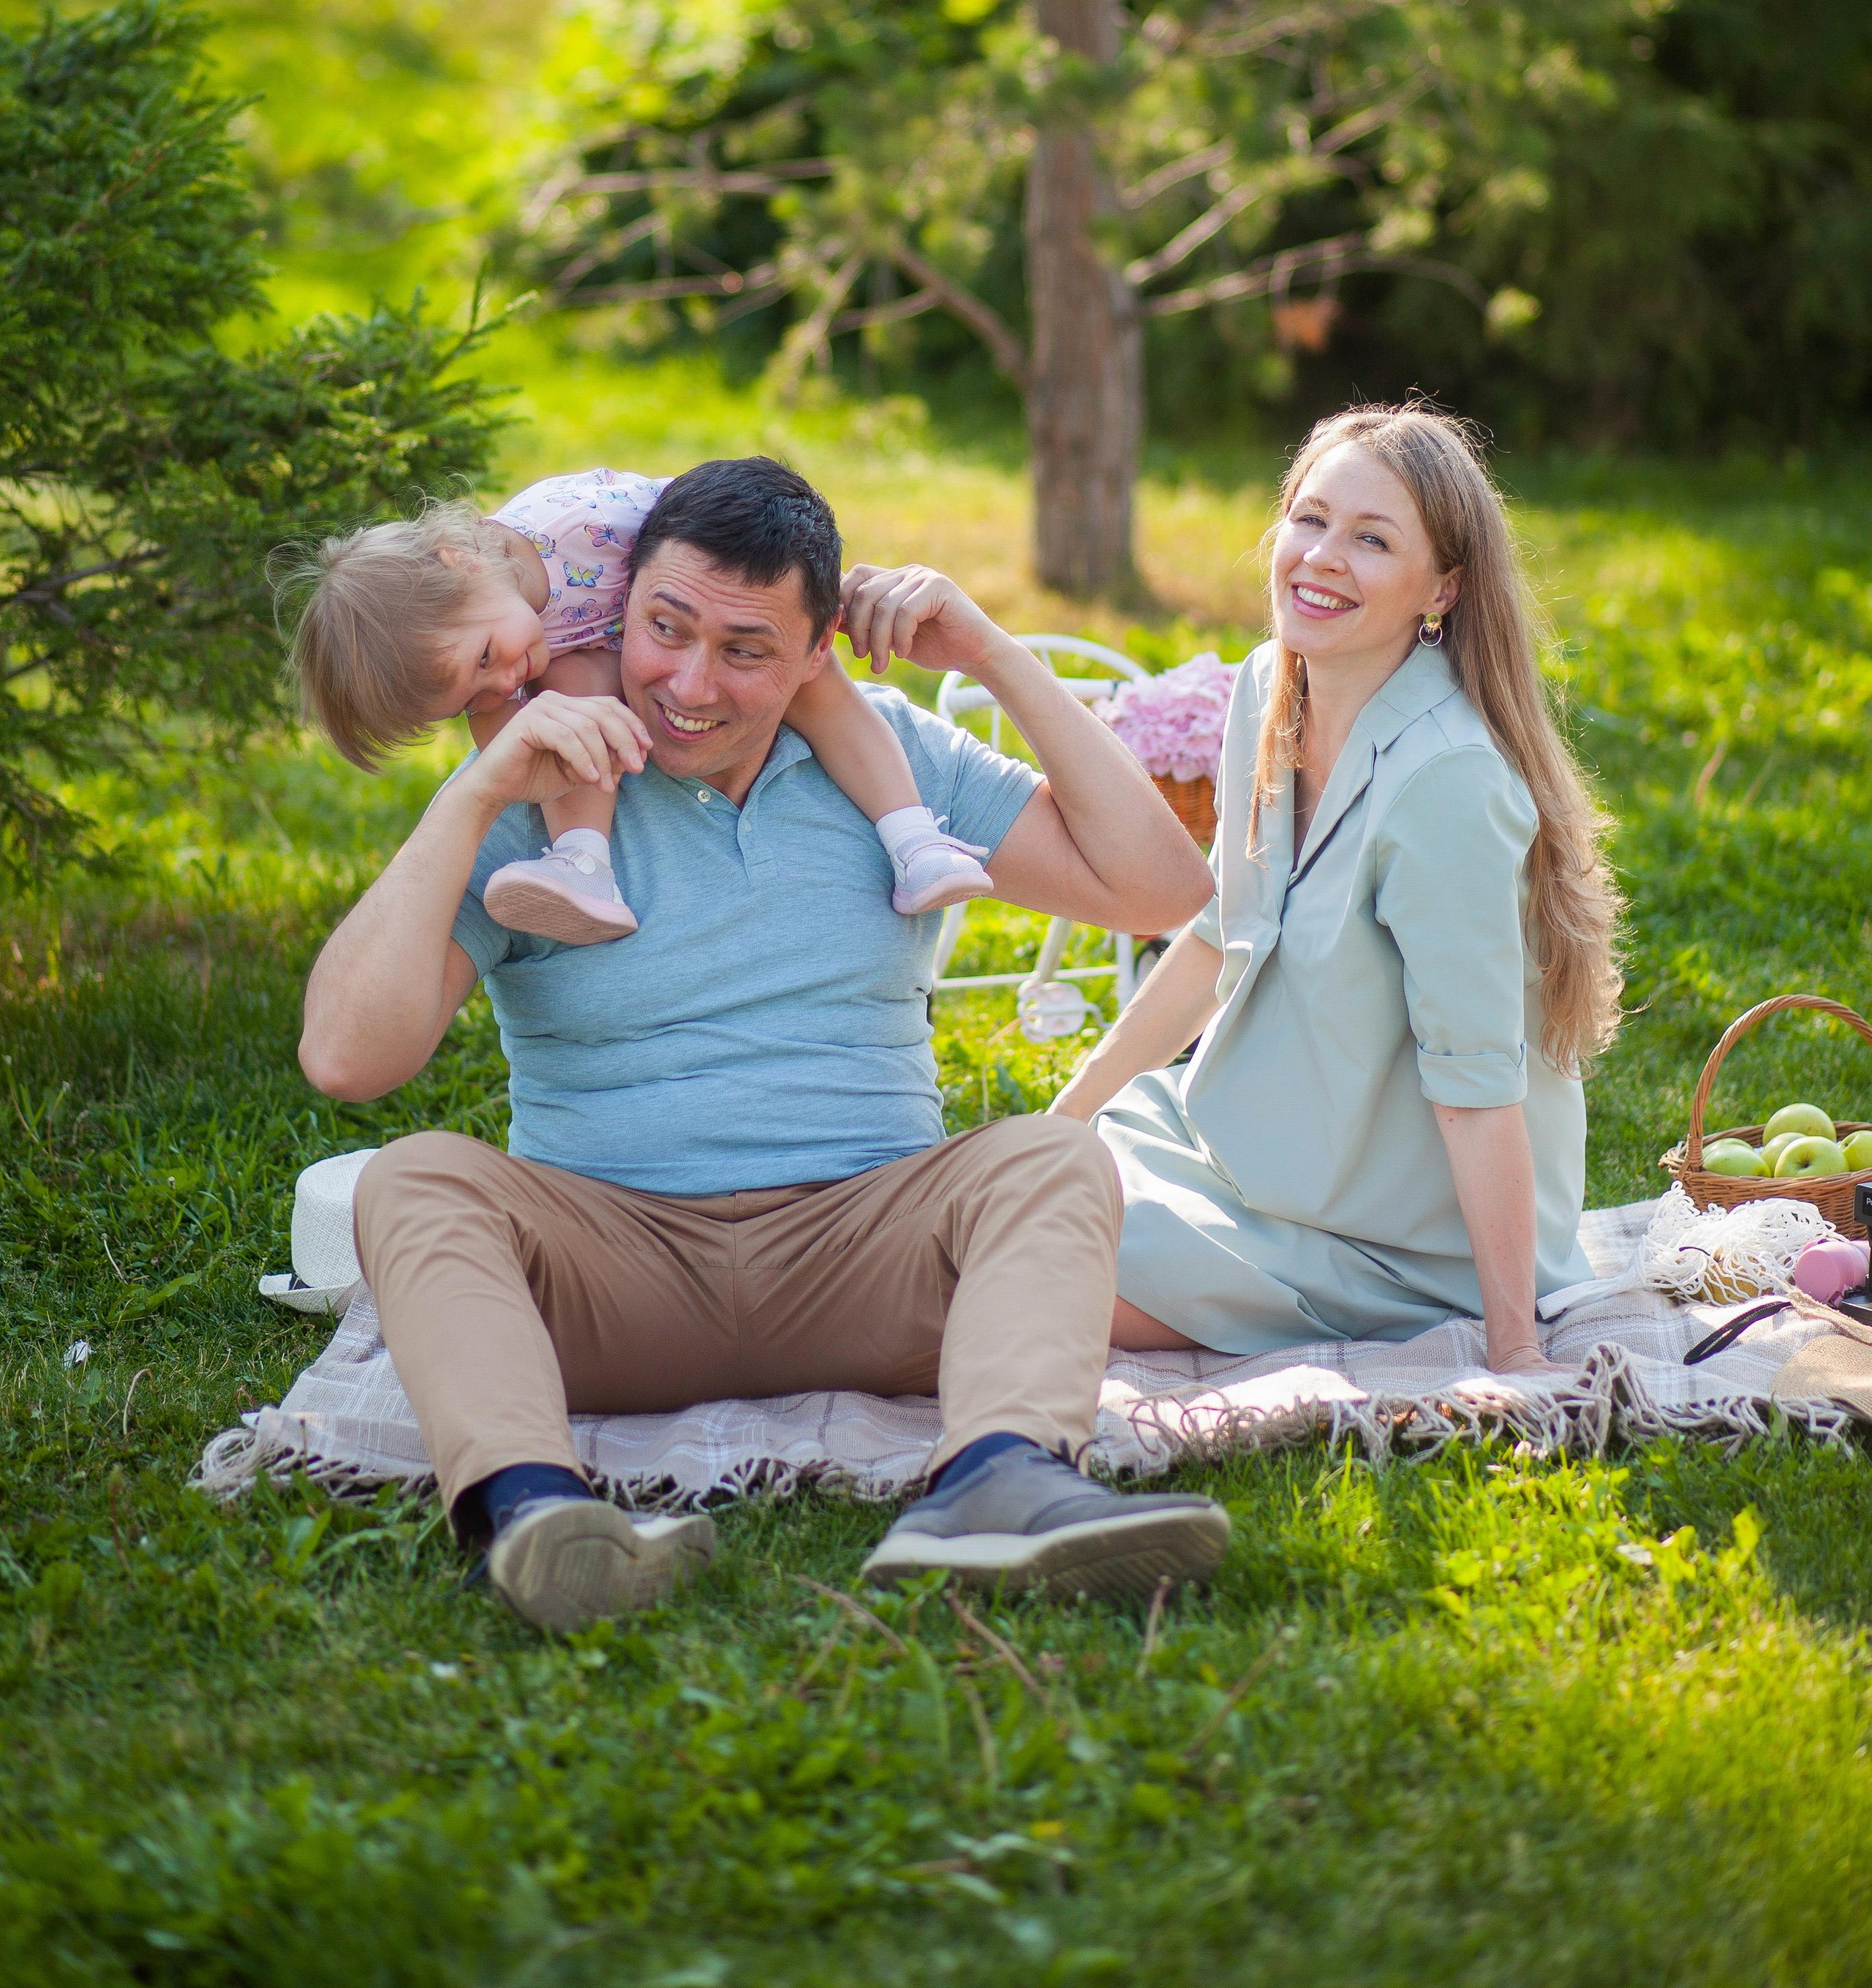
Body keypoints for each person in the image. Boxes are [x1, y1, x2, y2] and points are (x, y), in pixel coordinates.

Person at [298, 456, 1226, 1631]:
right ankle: (535, 1515)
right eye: (664, 630)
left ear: (817, 653)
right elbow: (346, 1060)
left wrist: (991, 653)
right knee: (419, 1177)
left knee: (1050, 1161)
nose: (688, 684)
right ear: (619, 606)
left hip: (868, 1254)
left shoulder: (886, 757)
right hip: (615, 1272)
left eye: (745, 651)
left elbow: (1160, 892)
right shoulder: (540, 792)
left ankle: (1001, 1478)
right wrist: (471, 798)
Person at [1053, 404, 1621, 1371]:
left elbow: (1476, 1088)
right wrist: (1055, 1125)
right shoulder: (1269, 685)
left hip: (1388, 1241)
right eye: (1310, 519)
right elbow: (1215, 938)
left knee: (1021, 1281)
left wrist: (1514, 1349)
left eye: (1371, 539)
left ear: (1440, 588)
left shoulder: (1444, 783)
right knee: (996, 1208)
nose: (1321, 557)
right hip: (1238, 1151)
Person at [277, 464, 996, 944]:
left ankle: (915, 839)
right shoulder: (501, 669)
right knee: (563, 697)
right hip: (626, 666)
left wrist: (785, 606)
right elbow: (510, 747)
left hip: (713, 628)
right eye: (468, 698)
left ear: (459, 566)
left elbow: (721, 526)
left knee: (820, 690)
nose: (497, 690)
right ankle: (582, 864)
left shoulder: (576, 522)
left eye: (487, 661)